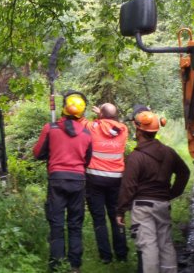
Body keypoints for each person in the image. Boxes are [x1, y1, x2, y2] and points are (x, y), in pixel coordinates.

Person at [116, 109, 190, 273]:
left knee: (148, 245)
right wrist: (171, 193)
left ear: (139, 130)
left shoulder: (136, 157)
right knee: (165, 243)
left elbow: (128, 186)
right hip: (163, 204)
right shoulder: (169, 152)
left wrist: (120, 210)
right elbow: (184, 173)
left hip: (143, 207)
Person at [32, 91, 93, 271]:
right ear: (81, 113)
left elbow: (37, 153)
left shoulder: (50, 129)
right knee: (75, 223)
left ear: (64, 108)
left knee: (57, 223)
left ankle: (57, 265)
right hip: (78, 180)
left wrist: (52, 153)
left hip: (57, 179)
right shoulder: (87, 134)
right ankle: (75, 265)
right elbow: (87, 160)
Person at [85, 103, 129, 264]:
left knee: (99, 219)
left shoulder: (93, 127)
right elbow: (111, 127)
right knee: (116, 216)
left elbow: (81, 120)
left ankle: (105, 257)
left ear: (101, 115)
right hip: (116, 179)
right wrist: (102, 116)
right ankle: (122, 254)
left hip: (94, 179)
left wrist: (98, 117)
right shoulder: (124, 130)